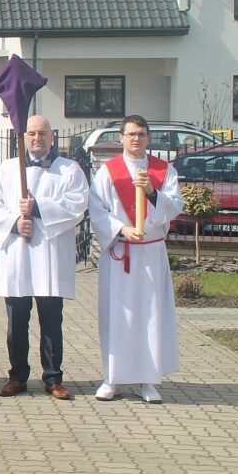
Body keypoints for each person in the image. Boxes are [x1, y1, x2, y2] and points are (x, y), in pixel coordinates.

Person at [0, 115, 89, 400]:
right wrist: (15, 223)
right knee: (16, 321)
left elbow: (78, 204)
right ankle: (17, 376)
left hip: (50, 257)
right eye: (31, 133)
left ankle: (53, 378)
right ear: (23, 137)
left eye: (42, 133)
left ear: (53, 136)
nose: (36, 138)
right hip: (18, 255)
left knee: (51, 321)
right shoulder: (7, 170)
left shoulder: (69, 170)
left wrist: (38, 208)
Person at [89, 115, 184, 404]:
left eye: (141, 134)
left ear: (148, 138)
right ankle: (113, 378)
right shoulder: (108, 171)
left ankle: (148, 380)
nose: (136, 139)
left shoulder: (163, 171)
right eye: (131, 134)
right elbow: (97, 210)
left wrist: (152, 192)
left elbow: (176, 206)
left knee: (150, 314)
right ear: (121, 137)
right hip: (121, 252)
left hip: (151, 252)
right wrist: (121, 229)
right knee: (117, 315)